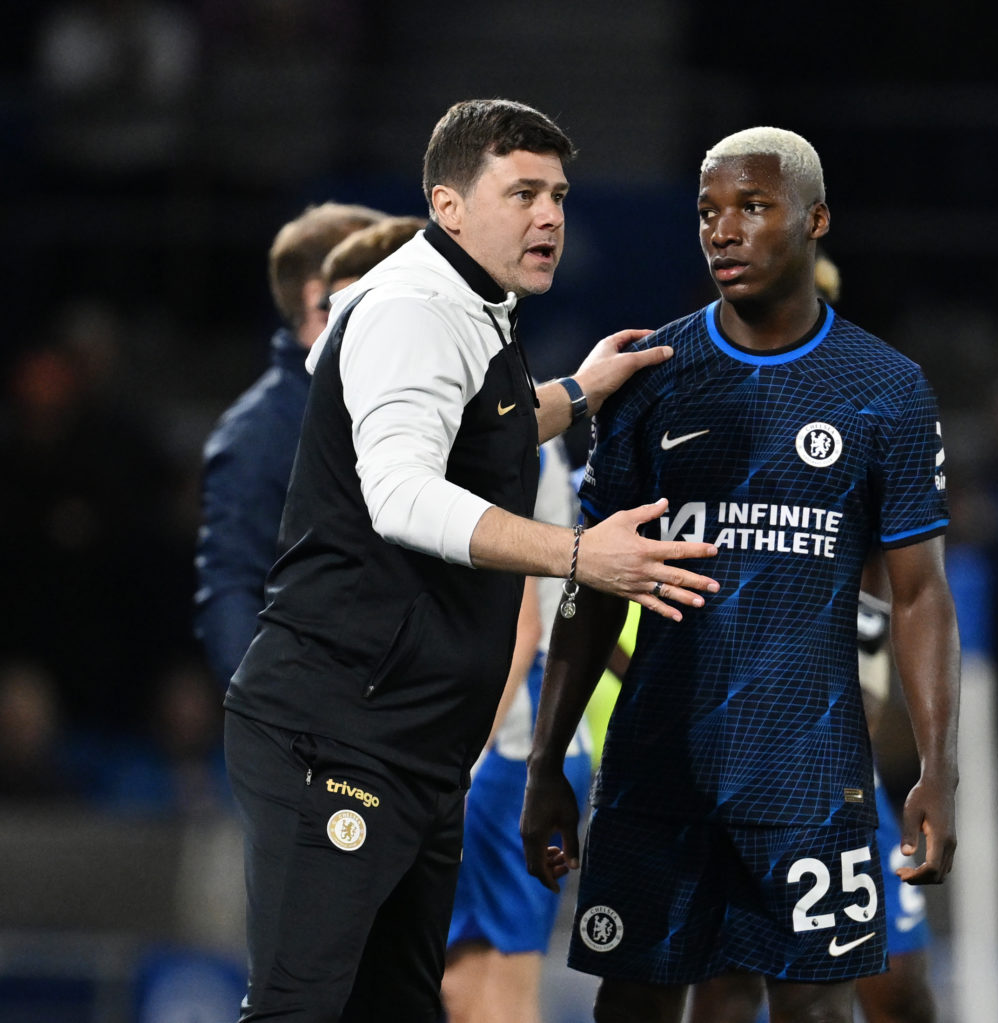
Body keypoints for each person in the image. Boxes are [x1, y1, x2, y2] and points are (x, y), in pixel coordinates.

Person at [222, 98, 720, 1022]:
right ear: (447, 207)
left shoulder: (475, 305)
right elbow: (404, 495)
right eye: (522, 192)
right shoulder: (413, 308)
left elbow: (479, 431)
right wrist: (579, 554)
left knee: (399, 1009)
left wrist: (578, 391)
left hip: (412, 741)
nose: (550, 217)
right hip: (339, 728)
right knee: (299, 1008)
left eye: (560, 195)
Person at [521, 127, 960, 1023]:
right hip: (657, 769)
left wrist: (936, 770)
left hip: (809, 770)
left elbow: (920, 593)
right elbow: (594, 581)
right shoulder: (651, 379)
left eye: (752, 208)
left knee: (821, 1010)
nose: (723, 231)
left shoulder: (888, 387)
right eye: (708, 213)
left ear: (815, 219)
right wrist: (544, 762)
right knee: (637, 1005)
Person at [684, 255, 939, 1023]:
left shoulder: (867, 413)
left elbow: (915, 583)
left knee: (896, 988)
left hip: (839, 760)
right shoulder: (697, 421)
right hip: (728, 752)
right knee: (729, 982)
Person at [194, 201, 384, 689]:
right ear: (319, 296)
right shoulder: (257, 436)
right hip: (321, 731)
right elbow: (233, 586)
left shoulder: (385, 405)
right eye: (377, 281)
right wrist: (278, 730)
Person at [441, 438, 595, 1023]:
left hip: (507, 748)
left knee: (503, 986)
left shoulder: (505, 438)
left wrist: (463, 760)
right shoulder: (517, 427)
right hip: (526, 742)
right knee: (461, 978)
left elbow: (520, 626)